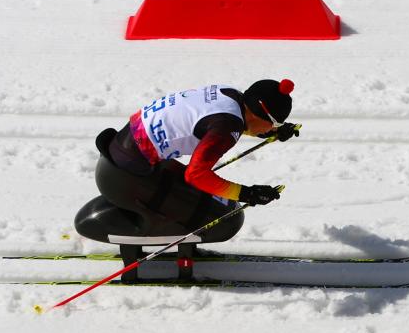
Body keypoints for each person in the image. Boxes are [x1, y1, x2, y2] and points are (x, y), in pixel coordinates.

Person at [92, 79, 300, 230]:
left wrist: (271, 132)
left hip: (125, 147)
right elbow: (196, 175)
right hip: (129, 174)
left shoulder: (229, 94)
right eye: (274, 123)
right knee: (210, 216)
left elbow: (224, 121)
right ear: (259, 114)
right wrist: (246, 194)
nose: (273, 127)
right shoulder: (227, 129)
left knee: (196, 197)